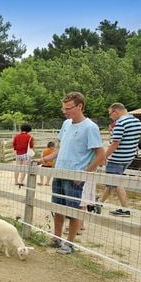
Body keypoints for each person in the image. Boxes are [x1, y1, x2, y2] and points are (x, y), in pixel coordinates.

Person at [40, 92, 105, 254]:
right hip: (60, 172)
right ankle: (56, 238)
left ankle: (69, 243)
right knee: (58, 207)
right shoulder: (66, 124)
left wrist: (84, 173)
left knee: (73, 210)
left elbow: (100, 155)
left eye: (68, 108)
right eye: (64, 108)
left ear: (79, 106)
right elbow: (62, 148)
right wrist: (46, 158)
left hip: (75, 176)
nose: (65, 111)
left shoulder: (90, 127)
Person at [99, 103, 141, 217]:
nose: (110, 117)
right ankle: (99, 203)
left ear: (115, 112)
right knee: (111, 182)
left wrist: (104, 157)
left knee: (117, 183)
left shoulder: (120, 123)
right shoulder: (137, 122)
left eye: (110, 114)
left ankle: (125, 210)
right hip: (128, 157)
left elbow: (115, 143)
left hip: (117, 158)